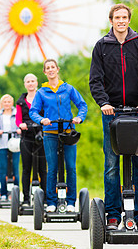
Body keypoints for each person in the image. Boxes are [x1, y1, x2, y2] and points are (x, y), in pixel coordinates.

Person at [89, 3, 138, 230]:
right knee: (111, 164)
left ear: (129, 20)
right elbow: (95, 80)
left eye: (124, 17)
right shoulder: (102, 46)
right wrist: (104, 103)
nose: (121, 21)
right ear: (111, 21)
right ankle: (111, 215)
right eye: (117, 17)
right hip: (112, 112)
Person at [30, 59, 88, 213]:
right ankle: (51, 202)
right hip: (50, 133)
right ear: (44, 72)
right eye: (47, 68)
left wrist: (79, 118)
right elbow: (33, 111)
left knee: (70, 166)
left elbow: (82, 105)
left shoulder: (68, 89)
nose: (50, 70)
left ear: (57, 69)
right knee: (52, 168)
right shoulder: (41, 92)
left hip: (68, 132)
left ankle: (70, 202)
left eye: (52, 67)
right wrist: (42, 119)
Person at [16, 73, 47, 206]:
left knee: (42, 169)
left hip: (40, 135)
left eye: (32, 81)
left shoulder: (43, 98)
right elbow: (18, 119)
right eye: (28, 81)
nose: (30, 83)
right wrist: (20, 125)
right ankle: (26, 199)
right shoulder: (21, 102)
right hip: (26, 136)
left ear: (36, 83)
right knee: (26, 168)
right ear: (25, 84)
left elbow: (47, 113)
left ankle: (46, 199)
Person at [0, 94, 21, 200]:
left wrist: (19, 130)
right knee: (3, 169)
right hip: (2, 144)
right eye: (5, 102)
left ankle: (16, 192)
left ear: (12, 103)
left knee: (15, 169)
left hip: (14, 143)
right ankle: (4, 193)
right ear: (2, 104)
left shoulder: (17, 113)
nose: (7, 104)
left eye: (9, 102)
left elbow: (19, 124)